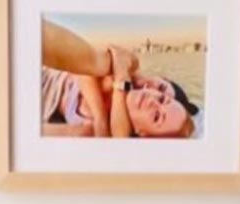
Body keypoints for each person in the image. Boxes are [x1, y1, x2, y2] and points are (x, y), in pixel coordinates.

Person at [39, 20, 197, 140]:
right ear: (161, 77)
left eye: (156, 116)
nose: (152, 97)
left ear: (143, 135)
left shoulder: (112, 125)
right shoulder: (128, 69)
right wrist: (100, 116)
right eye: (161, 94)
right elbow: (87, 68)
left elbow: (119, 136)